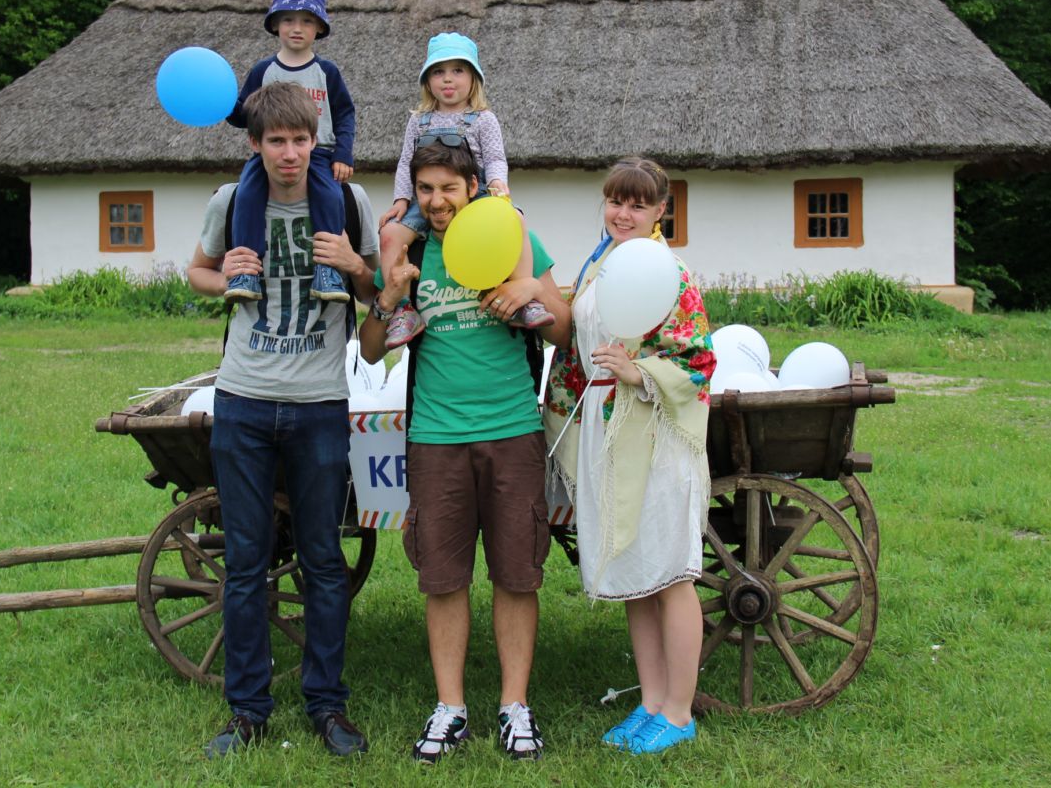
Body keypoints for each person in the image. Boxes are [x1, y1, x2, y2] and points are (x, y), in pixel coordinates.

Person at [359, 140, 570, 763]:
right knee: (443, 578)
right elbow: (370, 348)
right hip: (435, 438)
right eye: (425, 189)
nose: (437, 201)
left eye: (448, 188)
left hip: (513, 431)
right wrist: (389, 297)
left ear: (474, 187)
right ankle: (450, 709)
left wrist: (526, 288)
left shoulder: (512, 238)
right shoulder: (410, 251)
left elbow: (564, 328)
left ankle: (514, 707)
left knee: (517, 575)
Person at [187, 81, 378, 759]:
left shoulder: (349, 201)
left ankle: (327, 706)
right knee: (245, 563)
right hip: (243, 400)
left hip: (320, 403)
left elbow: (378, 290)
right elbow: (196, 272)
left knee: (323, 559)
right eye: (277, 141)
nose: (290, 154)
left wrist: (353, 265)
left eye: (300, 140)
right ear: (255, 144)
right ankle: (247, 711)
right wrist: (224, 275)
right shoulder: (231, 201)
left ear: (315, 142)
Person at [540, 156, 717, 756]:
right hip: (604, 430)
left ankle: (680, 711)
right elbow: (576, 347)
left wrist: (638, 372)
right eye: (616, 201)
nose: (623, 214)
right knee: (636, 576)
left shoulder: (672, 272)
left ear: (661, 210)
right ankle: (651, 700)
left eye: (638, 205)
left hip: (654, 435)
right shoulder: (598, 267)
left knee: (670, 573)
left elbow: (698, 360)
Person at [374, 32, 552, 349]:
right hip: (427, 198)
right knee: (389, 233)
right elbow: (405, 161)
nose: (448, 79)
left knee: (515, 220)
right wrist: (401, 199)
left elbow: (495, 158)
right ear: (427, 80)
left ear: (473, 78)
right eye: (438, 72)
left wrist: (497, 183)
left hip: (476, 194)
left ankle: (522, 296)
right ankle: (403, 309)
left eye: (458, 70)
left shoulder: (483, 119)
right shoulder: (418, 121)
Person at [225, 0, 357, 305]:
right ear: (275, 24)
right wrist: (221, 104)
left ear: (319, 27)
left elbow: (344, 114)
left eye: (306, 21)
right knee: (246, 194)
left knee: (331, 197)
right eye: (288, 20)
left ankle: (327, 270)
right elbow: (244, 115)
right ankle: (247, 270)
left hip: (319, 153)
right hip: (268, 156)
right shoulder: (262, 71)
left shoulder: (327, 72)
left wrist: (343, 153)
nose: (297, 28)